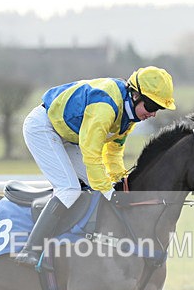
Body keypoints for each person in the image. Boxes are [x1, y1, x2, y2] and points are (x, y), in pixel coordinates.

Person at [13, 66, 176, 267]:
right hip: (43, 127)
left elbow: (113, 152)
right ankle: (31, 249)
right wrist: (108, 190)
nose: (153, 114)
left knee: (93, 186)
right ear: (135, 96)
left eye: (158, 109)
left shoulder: (129, 116)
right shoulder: (106, 106)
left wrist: (119, 181)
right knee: (69, 189)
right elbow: (91, 153)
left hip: (69, 137)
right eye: (151, 106)